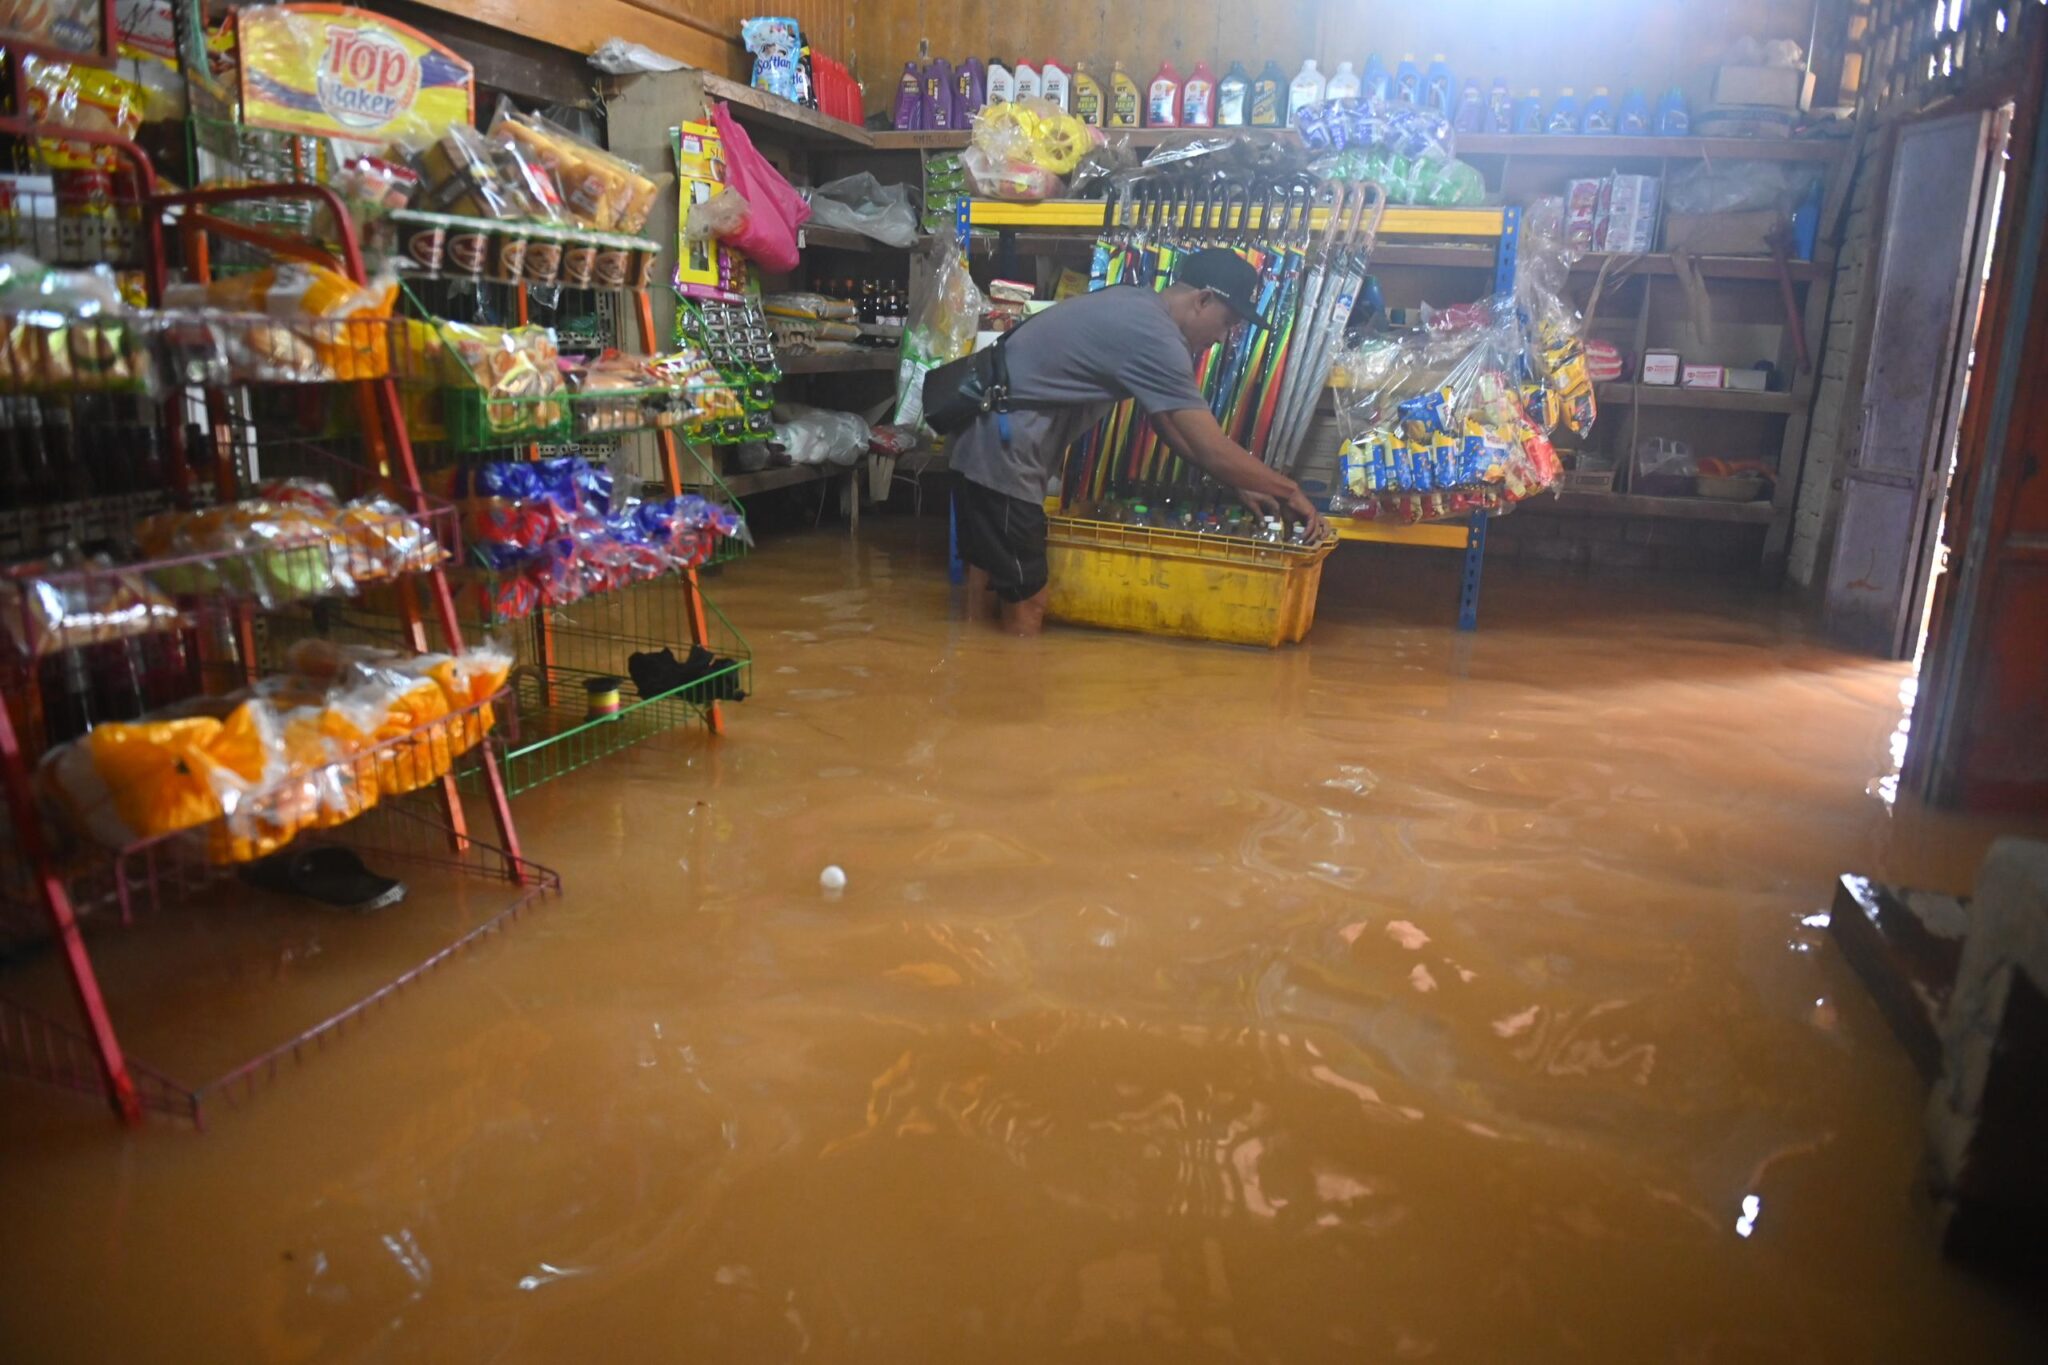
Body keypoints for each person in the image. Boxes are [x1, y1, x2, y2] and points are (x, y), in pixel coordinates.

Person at [949, 248, 1329, 635]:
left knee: (984, 587)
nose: (1220, 339)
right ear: (1203, 300)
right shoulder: (1155, 337)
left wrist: (1239, 482)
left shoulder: (1136, 303)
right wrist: (1289, 491)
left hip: (979, 439)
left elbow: (1169, 427)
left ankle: (970, 673)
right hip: (1004, 457)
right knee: (1028, 603)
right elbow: (1210, 446)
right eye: (1226, 323)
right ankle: (1012, 686)